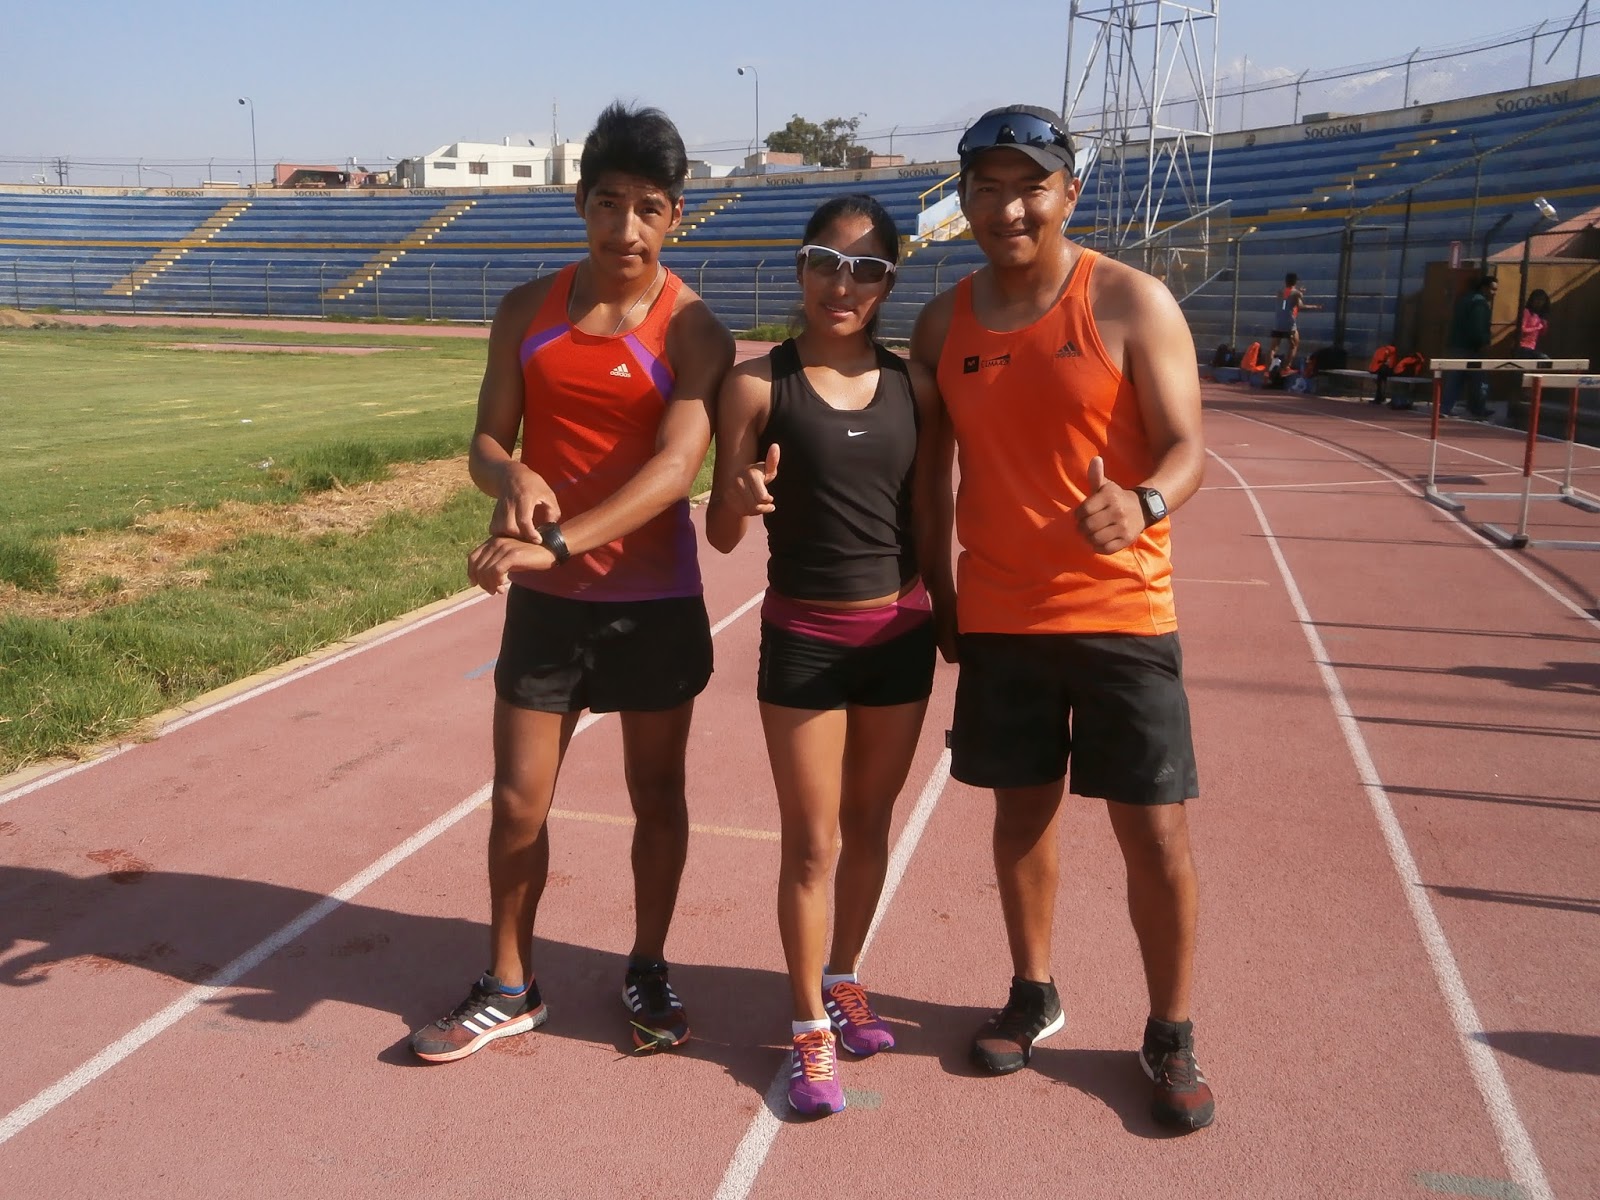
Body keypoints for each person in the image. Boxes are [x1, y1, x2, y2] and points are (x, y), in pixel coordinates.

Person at [910, 104, 1215, 1132]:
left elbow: (1187, 450)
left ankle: (1169, 1028)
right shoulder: (942, 323)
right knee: (1020, 817)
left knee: (1154, 832)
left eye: (1029, 186)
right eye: (987, 188)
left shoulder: (1129, 301)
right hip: (1000, 615)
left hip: (1123, 611)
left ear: (1068, 194)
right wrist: (939, 591)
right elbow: (931, 474)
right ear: (964, 200)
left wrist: (1145, 502)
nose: (1008, 207)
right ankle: (1032, 990)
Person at [409, 102, 734, 1063]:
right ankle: (510, 984)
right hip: (549, 609)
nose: (625, 228)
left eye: (648, 208)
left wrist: (557, 544)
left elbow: (676, 471)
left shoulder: (696, 331)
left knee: (657, 796)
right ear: (580, 202)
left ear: (675, 216)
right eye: (607, 203)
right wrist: (511, 476)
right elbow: (485, 442)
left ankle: (649, 966)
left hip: (651, 603)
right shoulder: (526, 310)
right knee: (518, 802)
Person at [706, 194, 941, 1116]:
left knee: (871, 824)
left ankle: (844, 976)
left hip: (900, 633)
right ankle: (808, 1024)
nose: (842, 285)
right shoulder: (756, 385)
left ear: (888, 282)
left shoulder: (917, 387)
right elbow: (722, 532)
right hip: (805, 638)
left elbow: (931, 510)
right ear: (800, 267)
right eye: (825, 263)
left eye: (865, 269)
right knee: (812, 842)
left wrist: (949, 606)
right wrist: (738, 500)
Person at [1441, 274, 1497, 420]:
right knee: (1480, 379)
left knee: (1455, 378)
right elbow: (1477, 326)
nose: (1494, 293)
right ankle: (1478, 409)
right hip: (1472, 348)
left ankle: (1446, 407)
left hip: (1457, 345)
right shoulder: (1480, 304)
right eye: (1492, 289)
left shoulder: (1464, 299)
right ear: (1484, 288)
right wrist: (1483, 343)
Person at [1265, 272, 1318, 372]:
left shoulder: (1279, 292)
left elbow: (1287, 298)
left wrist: (1298, 292)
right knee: (1294, 345)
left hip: (1278, 323)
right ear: (1295, 282)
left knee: (1273, 347)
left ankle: (1267, 370)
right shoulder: (1297, 293)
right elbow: (1300, 305)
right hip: (1289, 323)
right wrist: (1314, 306)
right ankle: (1286, 367)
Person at [1518, 288, 1550, 355]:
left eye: (1542, 300)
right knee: (1544, 358)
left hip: (1532, 347)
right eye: (1537, 299)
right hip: (1522, 346)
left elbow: (1541, 334)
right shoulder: (1526, 312)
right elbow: (1522, 329)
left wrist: (1544, 326)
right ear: (1532, 300)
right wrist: (1537, 327)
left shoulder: (1539, 315)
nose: (1539, 302)